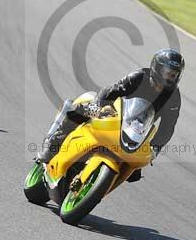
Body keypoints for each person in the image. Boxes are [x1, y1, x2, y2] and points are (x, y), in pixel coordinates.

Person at [34, 49, 184, 182]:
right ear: (156, 68)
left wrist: (154, 149)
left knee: (134, 172)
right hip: (114, 114)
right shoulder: (140, 76)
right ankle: (52, 145)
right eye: (167, 72)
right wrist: (98, 105)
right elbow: (111, 90)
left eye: (173, 74)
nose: (169, 77)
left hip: (137, 132)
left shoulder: (174, 97)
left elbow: (167, 127)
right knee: (78, 110)